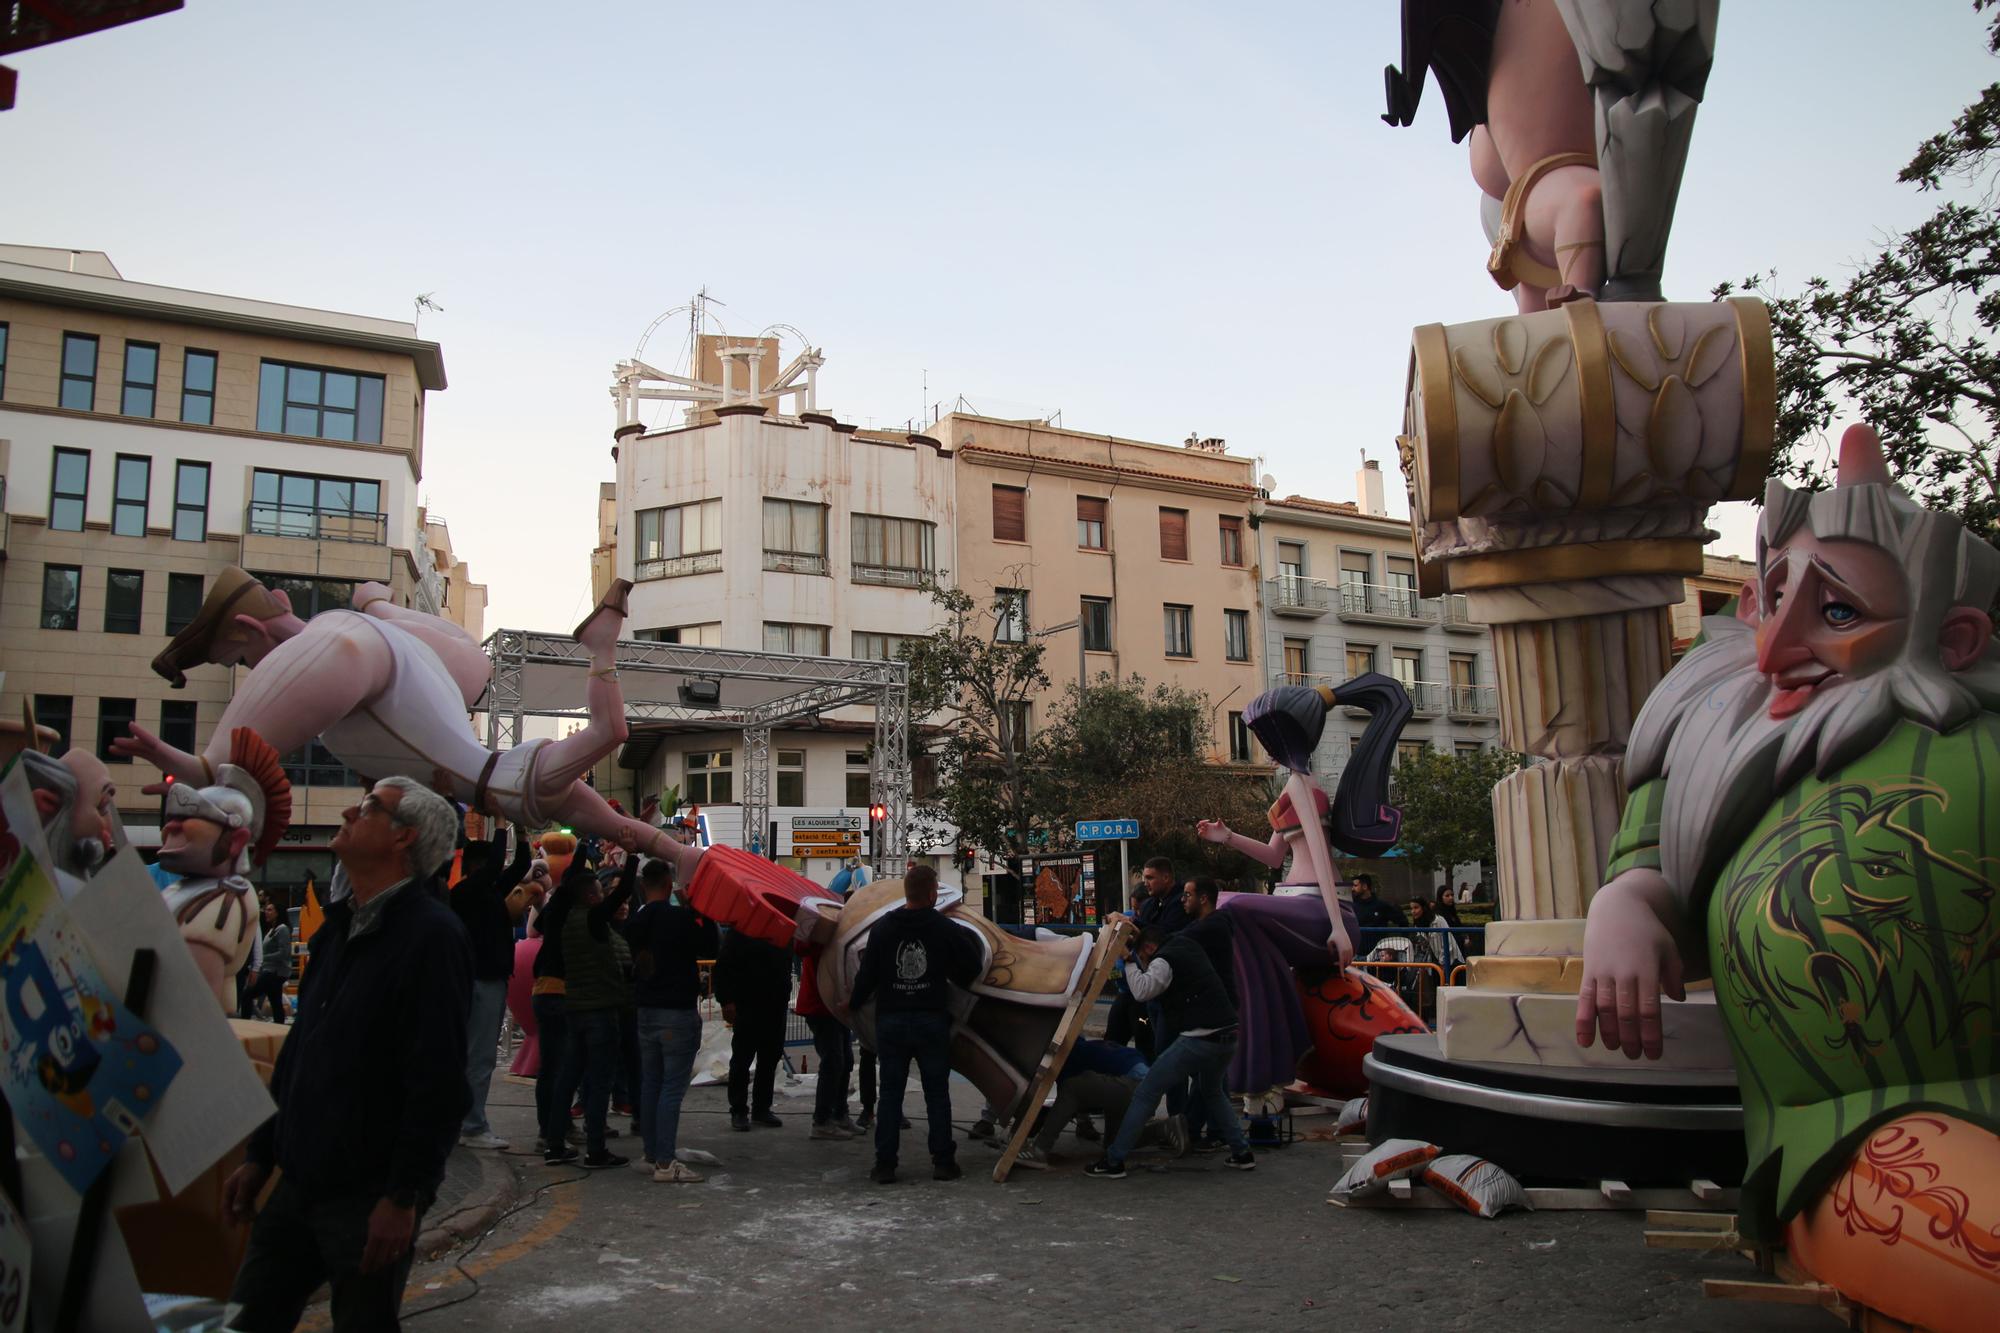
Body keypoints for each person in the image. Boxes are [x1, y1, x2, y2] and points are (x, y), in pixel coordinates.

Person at [1578, 424, 2000, 1331]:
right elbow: (1655, 863)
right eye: (1773, 599)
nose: (1773, 648)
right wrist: (1625, 901)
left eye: (1837, 613)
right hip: (1857, 1128)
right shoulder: (1717, 744)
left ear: (1956, 639)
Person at [224, 778, 470, 1332]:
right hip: (296, 1182)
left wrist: (403, 1196)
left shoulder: (433, 937)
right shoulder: (339, 930)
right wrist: (261, 1153)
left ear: (402, 837)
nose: (347, 812)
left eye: (367, 808)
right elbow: (300, 1055)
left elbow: (438, 1079)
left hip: (368, 1198)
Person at [1086, 924, 1254, 1179]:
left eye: (1144, 958)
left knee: (1146, 1092)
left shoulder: (1164, 959)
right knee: (1212, 1091)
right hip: (1228, 1034)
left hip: (1200, 1037)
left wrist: (1129, 960)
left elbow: (1143, 991)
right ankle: (1242, 1153)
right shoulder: (1186, 945)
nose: (1145, 964)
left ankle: (1114, 1160)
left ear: (1150, 949)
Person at [849, 865, 982, 1184]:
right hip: (930, 1017)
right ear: (933, 893)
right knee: (936, 1092)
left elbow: (866, 976)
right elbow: (972, 966)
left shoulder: (882, 928)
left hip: (891, 1018)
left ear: (906, 893)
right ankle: (943, 1161)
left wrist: (852, 1005)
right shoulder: (943, 927)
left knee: (891, 1093)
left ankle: (885, 1164)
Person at [627, 859, 718, 1182]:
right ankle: (666, 1162)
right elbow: (709, 946)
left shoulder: (635, 922)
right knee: (671, 1089)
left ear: (643, 886)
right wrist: (698, 908)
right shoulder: (679, 918)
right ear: (668, 884)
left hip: (646, 1010)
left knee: (651, 1083)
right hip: (676, 1012)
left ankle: (652, 1153)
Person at [550, 842, 638, 1168]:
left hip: (575, 1008)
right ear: (590, 898)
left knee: (568, 1078)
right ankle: (596, 1148)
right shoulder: (593, 920)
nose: (605, 897)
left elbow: (569, 886)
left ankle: (555, 1144)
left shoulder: (562, 920)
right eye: (600, 892)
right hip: (601, 1010)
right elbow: (625, 889)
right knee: (600, 1081)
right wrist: (633, 854)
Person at [451, 824, 532, 1151]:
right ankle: (472, 1126)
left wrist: (522, 832)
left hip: (489, 979)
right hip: (479, 981)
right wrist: (500, 823)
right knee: (479, 1056)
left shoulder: (487, 892)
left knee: (474, 1054)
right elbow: (502, 866)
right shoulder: (467, 892)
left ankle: (465, 1121)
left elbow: (519, 866)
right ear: (477, 867)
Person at [1014, 1039, 1158, 1170]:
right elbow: (1084, 1095)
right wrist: (1084, 1123)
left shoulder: (1067, 1055)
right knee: (1114, 1143)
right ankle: (1165, 1130)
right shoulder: (1080, 1047)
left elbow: (1068, 1099)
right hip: (1144, 1084)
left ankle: (1040, 1150)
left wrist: (1020, 1129)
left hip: (1136, 1085)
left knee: (1071, 1087)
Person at [1104, 857, 1189, 1054]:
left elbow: (1162, 936)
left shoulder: (1179, 905)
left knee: (1159, 1048)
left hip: (1168, 990)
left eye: (1150, 877)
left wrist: (1133, 925)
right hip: (1139, 990)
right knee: (1116, 1038)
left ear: (1166, 877)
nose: (1145, 882)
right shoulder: (1151, 904)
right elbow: (1140, 936)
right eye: (1144, 877)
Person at [714, 921, 792, 1132]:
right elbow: (723, 967)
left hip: (775, 1004)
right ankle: (739, 1109)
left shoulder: (782, 931)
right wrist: (726, 1000)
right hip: (747, 1003)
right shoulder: (741, 932)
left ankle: (761, 1108)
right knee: (742, 1058)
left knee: (770, 1056)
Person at [796, 929, 856, 1141]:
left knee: (844, 1060)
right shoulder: (820, 935)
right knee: (833, 1061)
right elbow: (800, 946)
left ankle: (839, 1113)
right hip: (821, 1007)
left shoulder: (838, 936)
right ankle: (822, 1120)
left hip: (833, 1006)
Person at [239, 898, 292, 1024]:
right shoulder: (271, 931)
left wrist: (263, 958)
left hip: (274, 972)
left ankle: (244, 1024)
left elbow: (284, 953)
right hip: (270, 971)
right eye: (266, 910)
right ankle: (280, 1027)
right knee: (276, 1002)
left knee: (247, 995)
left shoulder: (282, 929)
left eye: (269, 910)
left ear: (277, 912)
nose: (266, 912)